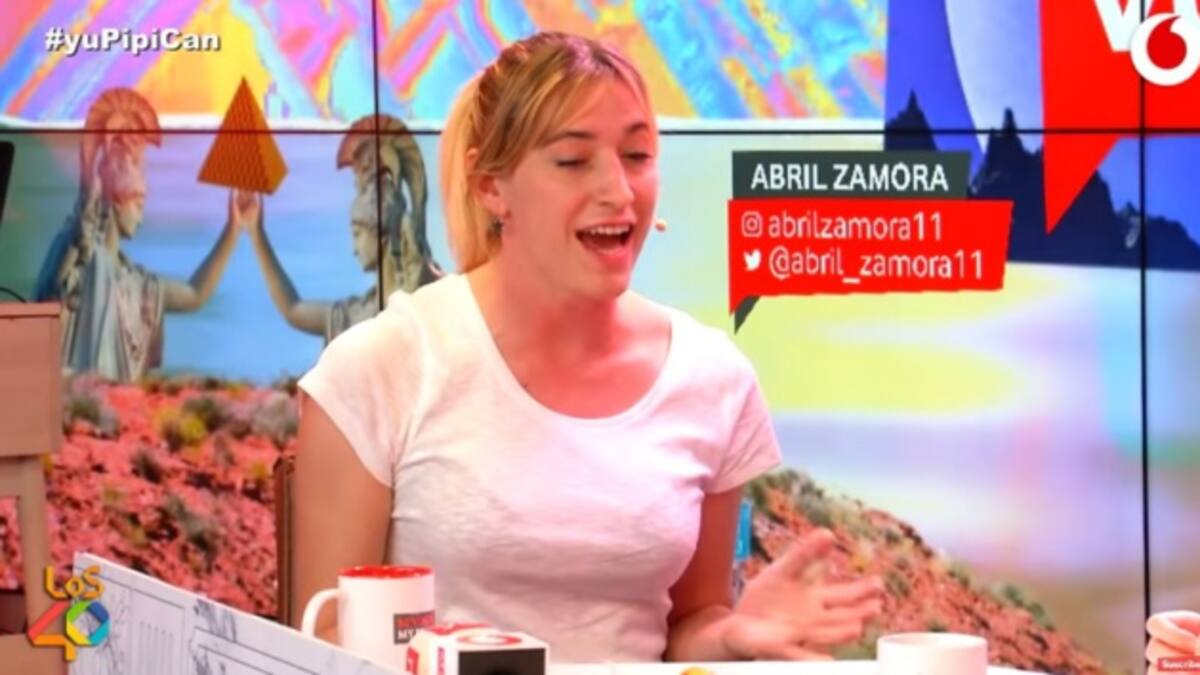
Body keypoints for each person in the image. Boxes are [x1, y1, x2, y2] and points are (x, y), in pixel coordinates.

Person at [290, 31, 883, 663]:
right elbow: (323, 645)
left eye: (637, 155)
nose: (619, 192)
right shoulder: (380, 368)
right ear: (491, 185)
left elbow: (688, 626)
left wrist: (730, 636)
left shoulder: (713, 379)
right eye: (573, 161)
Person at [34, 88, 243, 382]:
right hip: (73, 402)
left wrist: (233, 229)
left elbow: (194, 295)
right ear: (117, 201)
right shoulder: (81, 258)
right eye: (139, 205)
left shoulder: (137, 283)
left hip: (116, 405)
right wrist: (88, 200)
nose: (141, 217)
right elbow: (52, 287)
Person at [239, 114, 443, 343]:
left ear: (381, 232)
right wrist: (255, 232)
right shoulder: (354, 314)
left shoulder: (423, 297)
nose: (354, 249)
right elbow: (293, 310)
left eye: (357, 233)